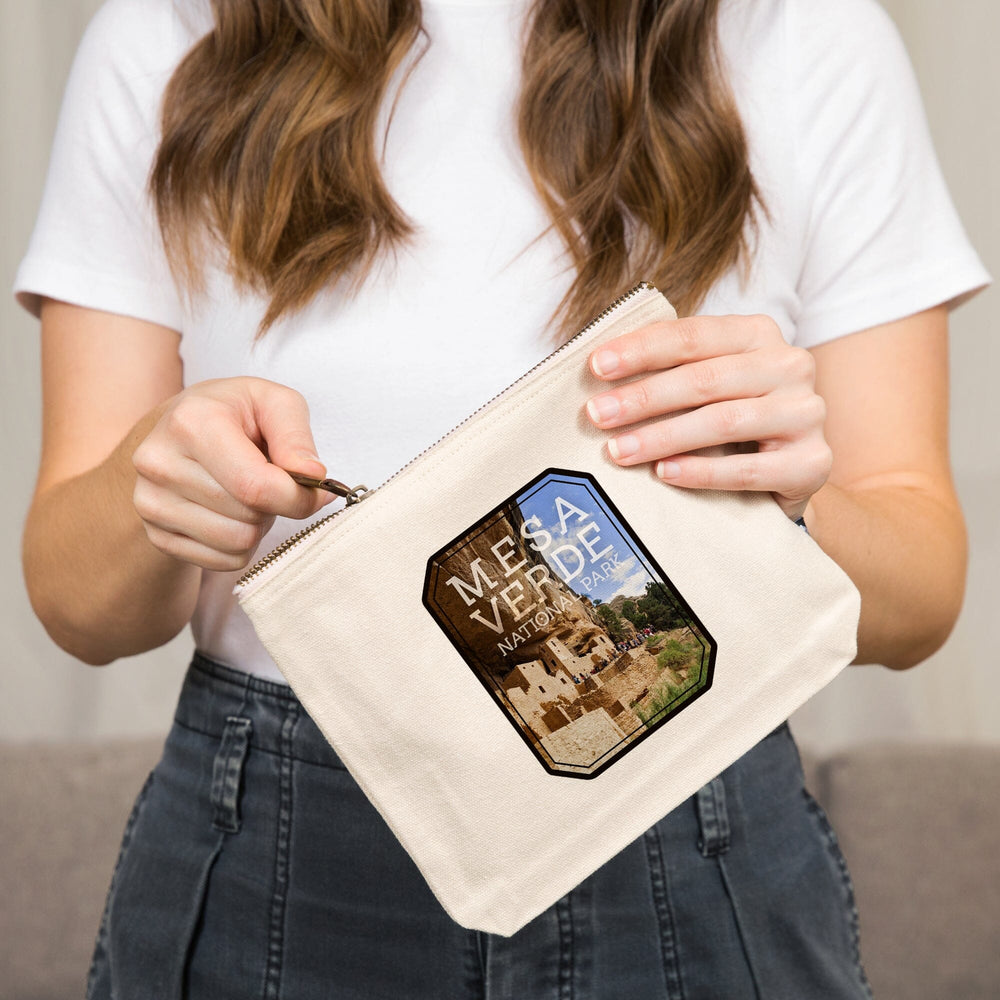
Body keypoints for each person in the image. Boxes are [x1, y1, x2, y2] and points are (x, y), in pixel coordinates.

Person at [15, 0, 988, 997]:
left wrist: (785, 507)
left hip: (688, 801)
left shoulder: (804, 35)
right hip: (284, 831)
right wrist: (160, 483)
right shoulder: (169, 33)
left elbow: (918, 595)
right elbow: (78, 605)